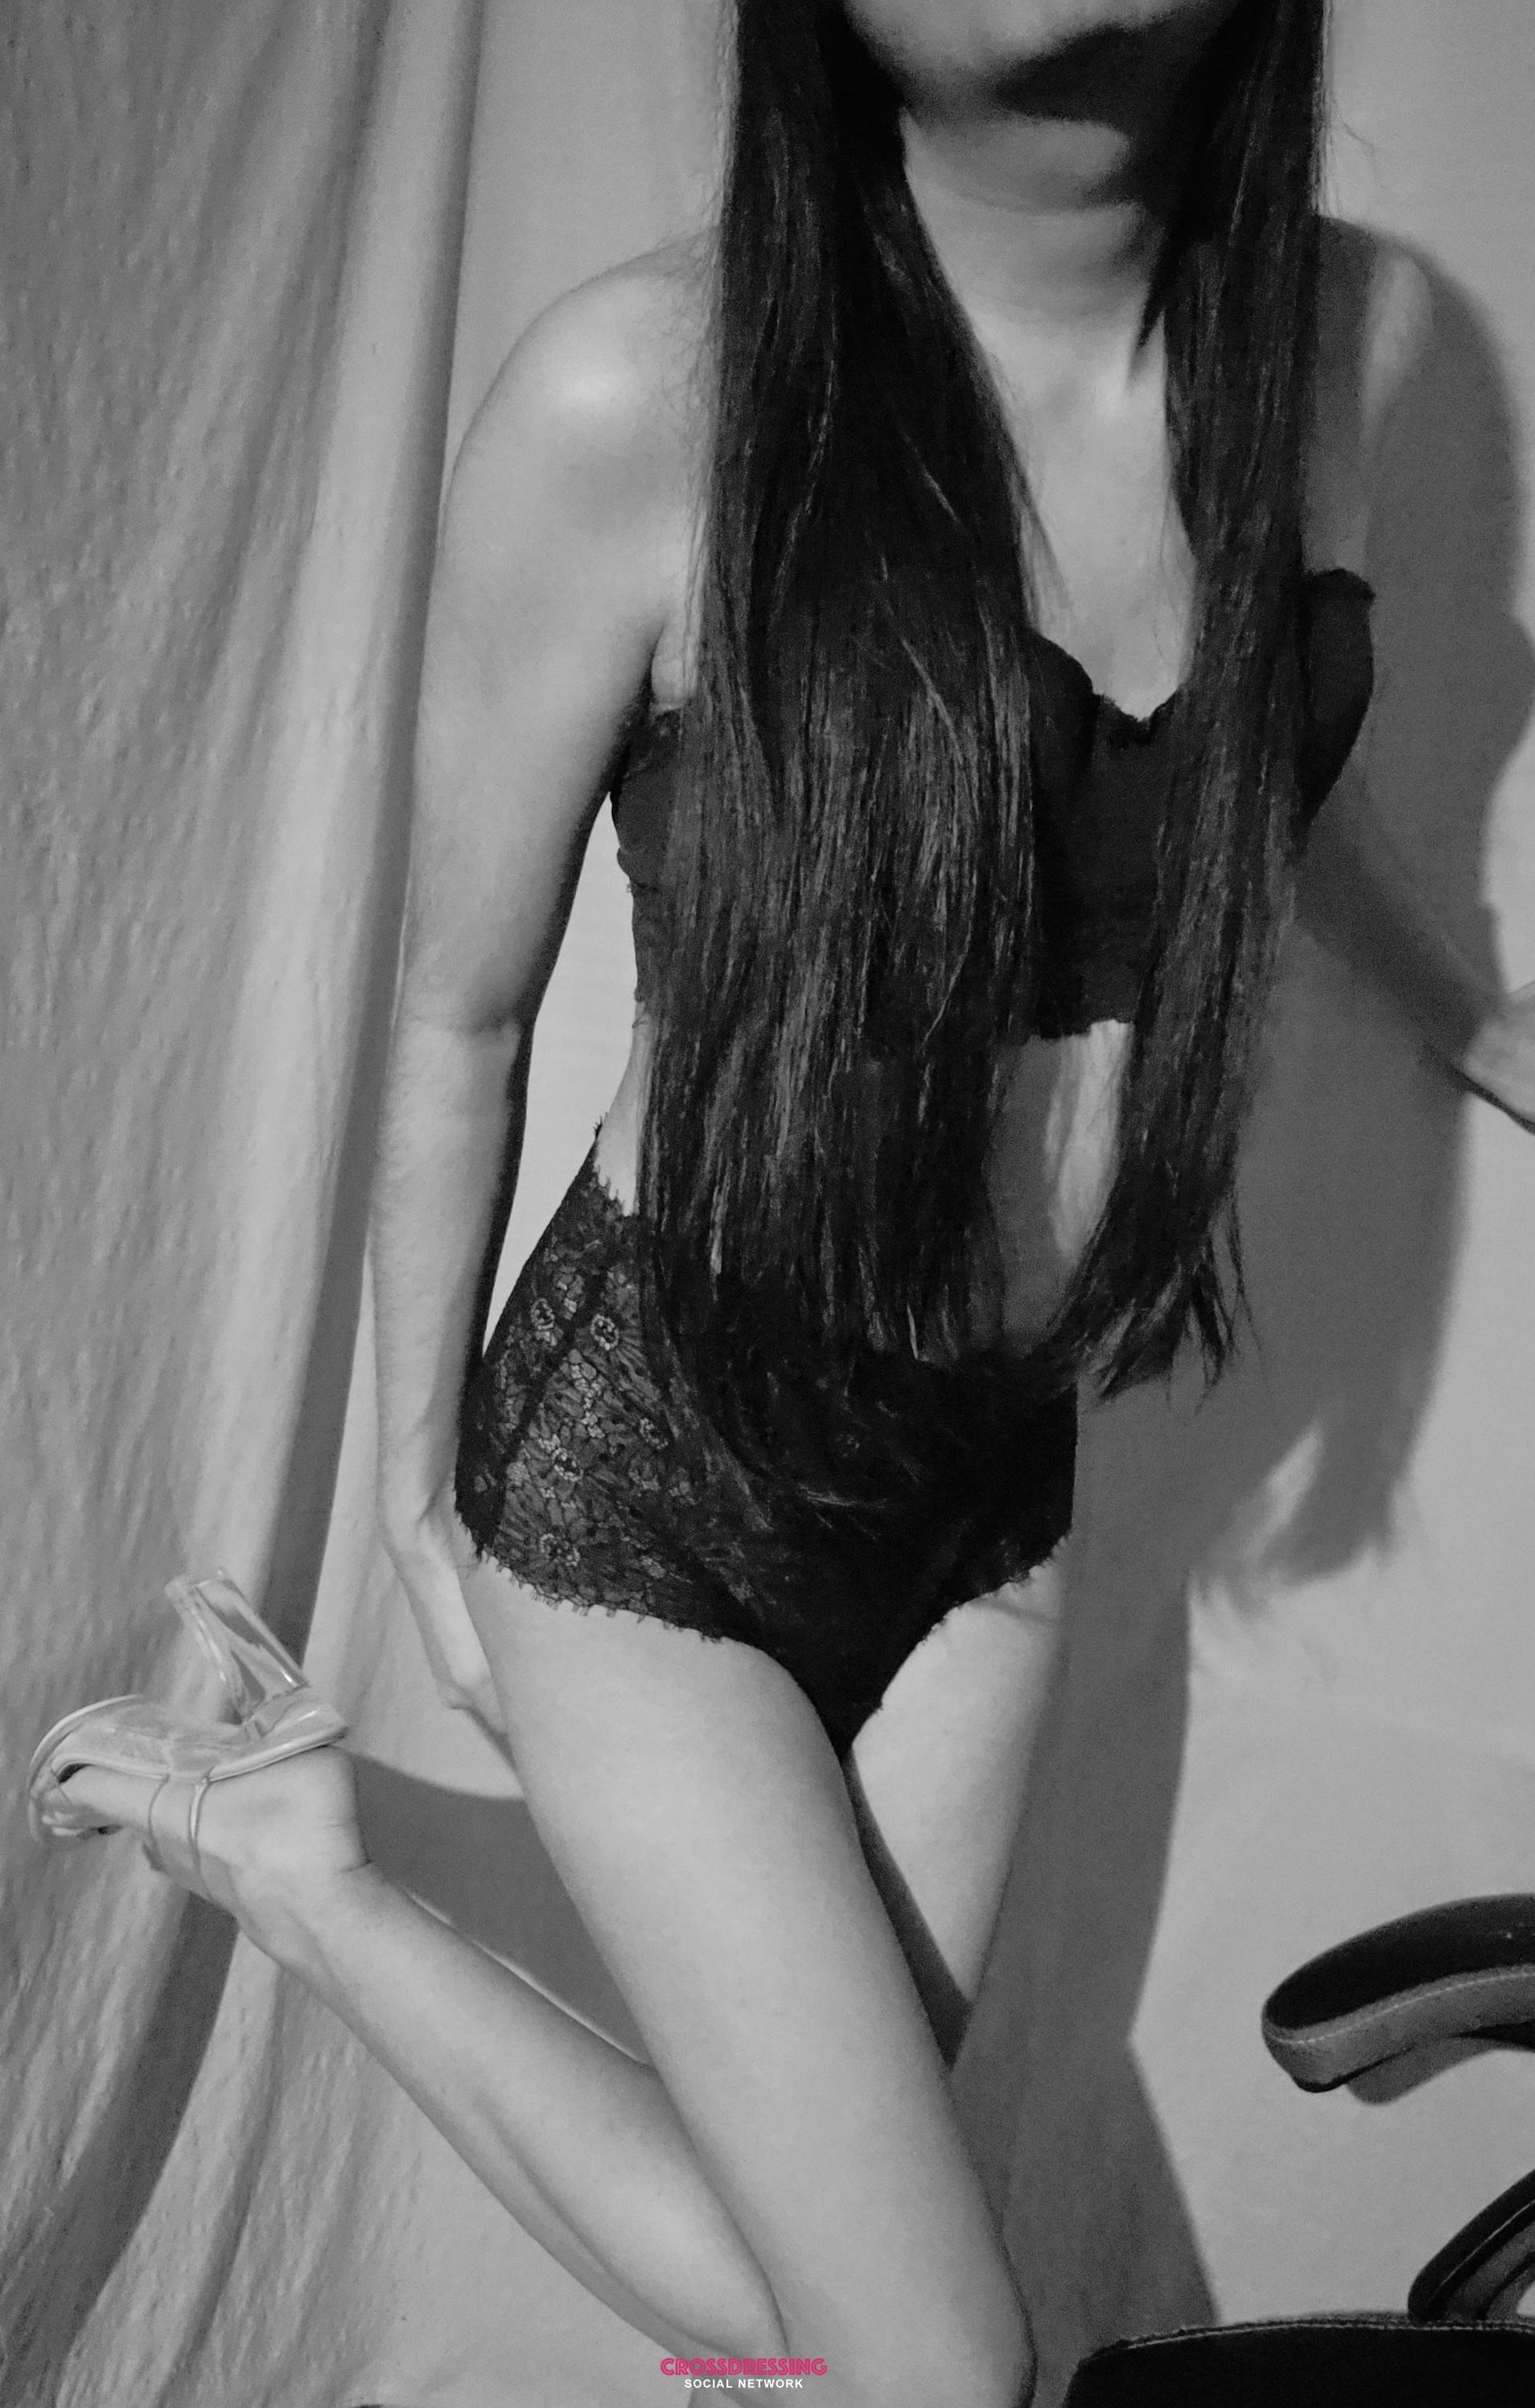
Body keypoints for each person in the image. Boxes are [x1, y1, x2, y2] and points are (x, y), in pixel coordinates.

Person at [43, 4, 1535, 2403]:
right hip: (660, 1473)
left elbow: (1253, 765)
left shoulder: (1352, 343)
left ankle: (302, 1863)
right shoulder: (638, 399)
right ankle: (310, 1885)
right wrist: (417, 1501)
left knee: (820, 2277)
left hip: (999, 1479)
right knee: (937, 2359)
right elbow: (455, 1009)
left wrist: (1479, 1019)